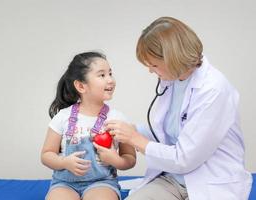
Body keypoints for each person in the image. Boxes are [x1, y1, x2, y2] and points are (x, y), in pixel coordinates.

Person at [105, 17, 252, 200]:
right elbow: (166, 132)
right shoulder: (172, 81)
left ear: (173, 58)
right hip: (172, 180)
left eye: (154, 65)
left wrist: (134, 139)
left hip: (210, 183)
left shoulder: (214, 90)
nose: (150, 71)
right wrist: (131, 130)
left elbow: (184, 159)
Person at [41, 51, 136, 200]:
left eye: (110, 73)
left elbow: (130, 158)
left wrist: (115, 160)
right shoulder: (63, 117)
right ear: (81, 86)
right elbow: (46, 155)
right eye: (102, 75)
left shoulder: (118, 118)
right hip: (65, 184)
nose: (110, 80)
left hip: (102, 183)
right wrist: (64, 162)